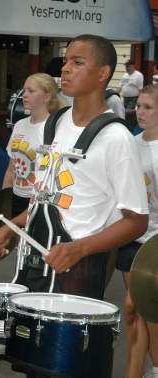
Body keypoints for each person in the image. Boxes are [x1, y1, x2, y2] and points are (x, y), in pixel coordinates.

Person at [0, 33, 148, 308]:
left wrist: (79, 248)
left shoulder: (116, 138)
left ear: (103, 72)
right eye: (66, 60)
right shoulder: (54, 123)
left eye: (77, 62)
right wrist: (10, 230)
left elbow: (136, 220)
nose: (65, 68)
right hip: (32, 258)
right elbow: (46, 196)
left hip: (76, 268)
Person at [116, 84, 158, 378]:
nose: (139, 112)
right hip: (132, 237)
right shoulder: (132, 142)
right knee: (134, 312)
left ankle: (156, 368)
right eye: (138, 106)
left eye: (148, 107)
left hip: (155, 243)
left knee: (143, 307)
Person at [2, 73, 65, 218]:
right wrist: (4, 201)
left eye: (31, 91)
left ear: (46, 97)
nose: (24, 95)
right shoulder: (19, 125)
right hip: (15, 198)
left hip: (39, 202)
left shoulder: (53, 129)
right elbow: (11, 170)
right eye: (24, 90)